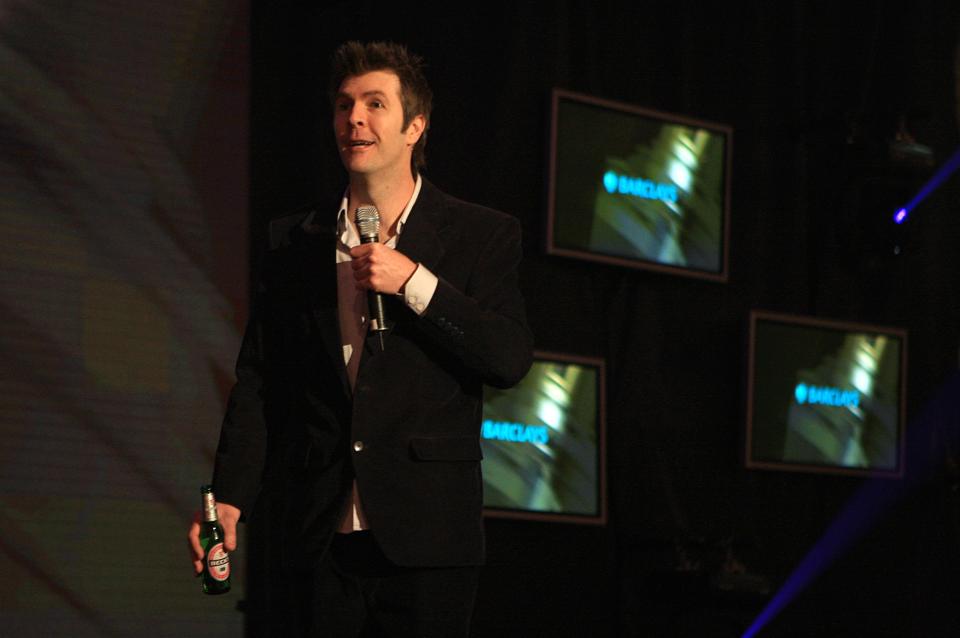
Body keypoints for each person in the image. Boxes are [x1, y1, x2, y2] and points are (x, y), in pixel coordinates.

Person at [187, 40, 533, 637]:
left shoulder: (481, 235)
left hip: (427, 538)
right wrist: (230, 497)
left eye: (375, 104)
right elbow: (260, 381)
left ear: (414, 127)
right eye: (345, 105)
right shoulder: (294, 241)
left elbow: (507, 357)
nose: (355, 119)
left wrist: (415, 283)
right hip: (317, 530)